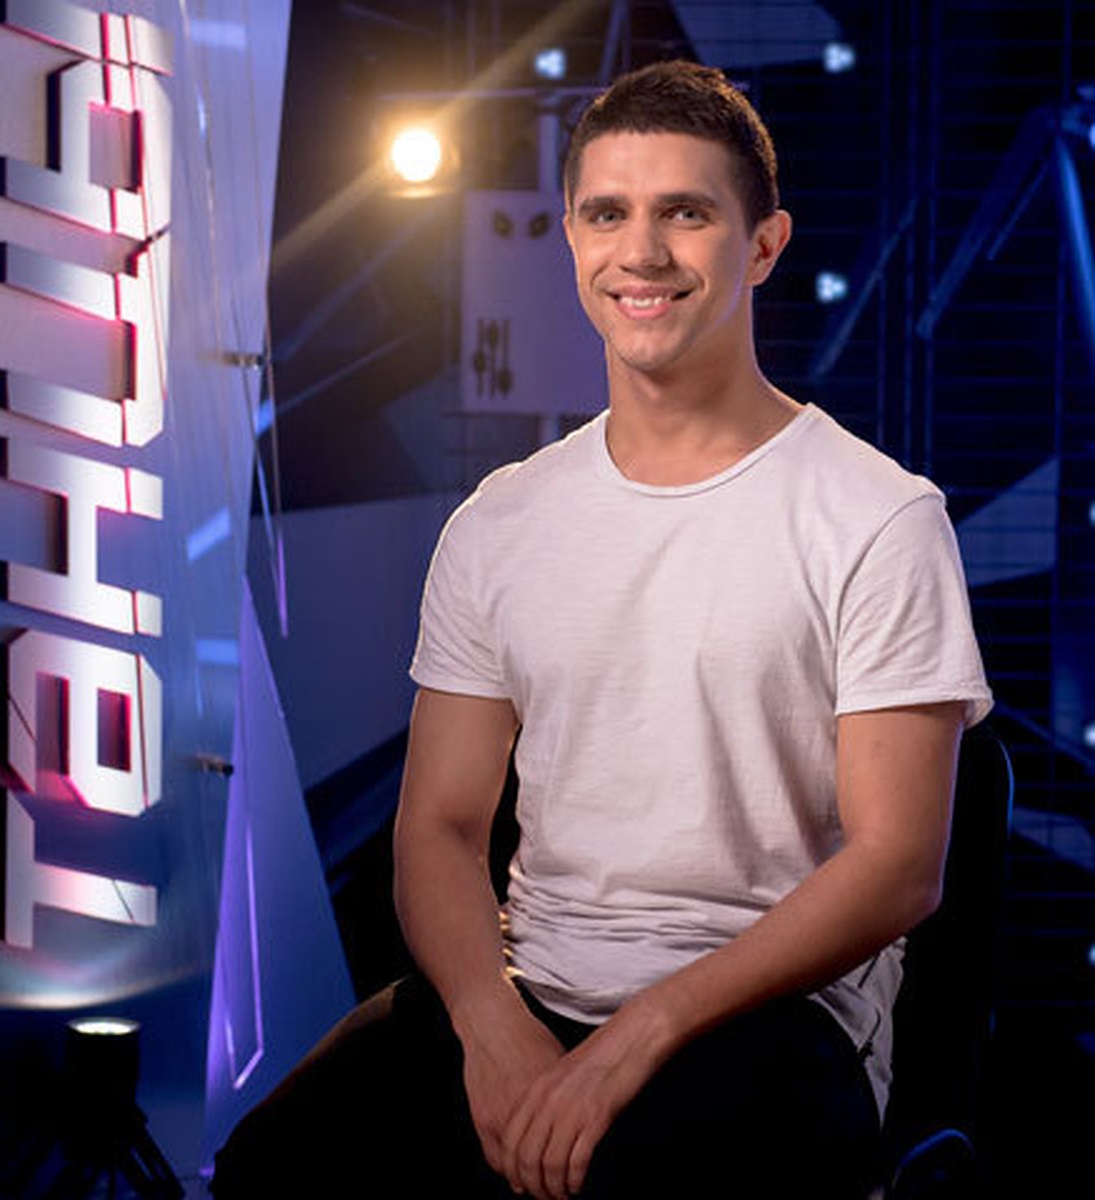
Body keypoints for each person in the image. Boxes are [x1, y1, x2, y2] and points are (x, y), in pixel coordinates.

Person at [212, 60, 992, 1199]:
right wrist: (491, 1026)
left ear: (764, 246)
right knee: (271, 1170)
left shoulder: (878, 518)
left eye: (686, 213)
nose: (643, 251)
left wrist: (637, 1036)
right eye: (607, 213)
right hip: (532, 990)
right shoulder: (502, 522)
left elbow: (898, 869)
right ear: (573, 237)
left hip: (773, 1021)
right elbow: (438, 826)